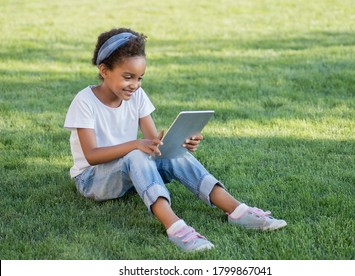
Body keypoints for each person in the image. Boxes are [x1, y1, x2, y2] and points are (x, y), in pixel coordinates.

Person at [64, 27, 287, 252]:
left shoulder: (137, 96)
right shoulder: (85, 101)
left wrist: (180, 144)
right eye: (128, 77)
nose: (135, 84)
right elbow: (91, 156)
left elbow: (154, 145)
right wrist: (135, 145)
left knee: (172, 155)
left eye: (140, 78)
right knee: (136, 153)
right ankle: (176, 228)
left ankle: (237, 211)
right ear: (104, 70)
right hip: (92, 180)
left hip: (129, 172)